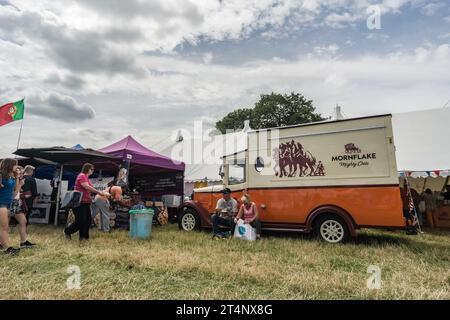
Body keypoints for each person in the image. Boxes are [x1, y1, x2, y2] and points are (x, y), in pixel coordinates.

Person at [63, 163, 109, 241]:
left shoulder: (86, 177)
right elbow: (86, 187)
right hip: (79, 202)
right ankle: (67, 231)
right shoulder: (82, 176)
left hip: (86, 202)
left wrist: (99, 193)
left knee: (87, 220)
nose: (93, 171)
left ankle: (84, 237)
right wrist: (99, 193)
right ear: (87, 169)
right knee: (81, 220)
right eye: (92, 169)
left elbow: (89, 188)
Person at [9, 166, 36, 248]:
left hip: (15, 202)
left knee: (23, 221)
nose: (21, 175)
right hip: (10, 203)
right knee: (5, 224)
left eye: (22, 173)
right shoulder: (12, 180)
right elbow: (13, 194)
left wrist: (21, 193)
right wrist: (20, 185)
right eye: (20, 173)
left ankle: (23, 242)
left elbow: (16, 193)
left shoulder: (16, 179)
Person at [0, 159, 21, 254]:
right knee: (4, 227)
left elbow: (14, 192)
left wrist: (17, 178)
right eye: (15, 165)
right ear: (9, 165)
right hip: (1, 204)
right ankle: (6, 248)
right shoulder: (1, 175)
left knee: (4, 226)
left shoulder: (12, 177)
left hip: (8, 204)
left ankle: (2, 244)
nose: (17, 167)